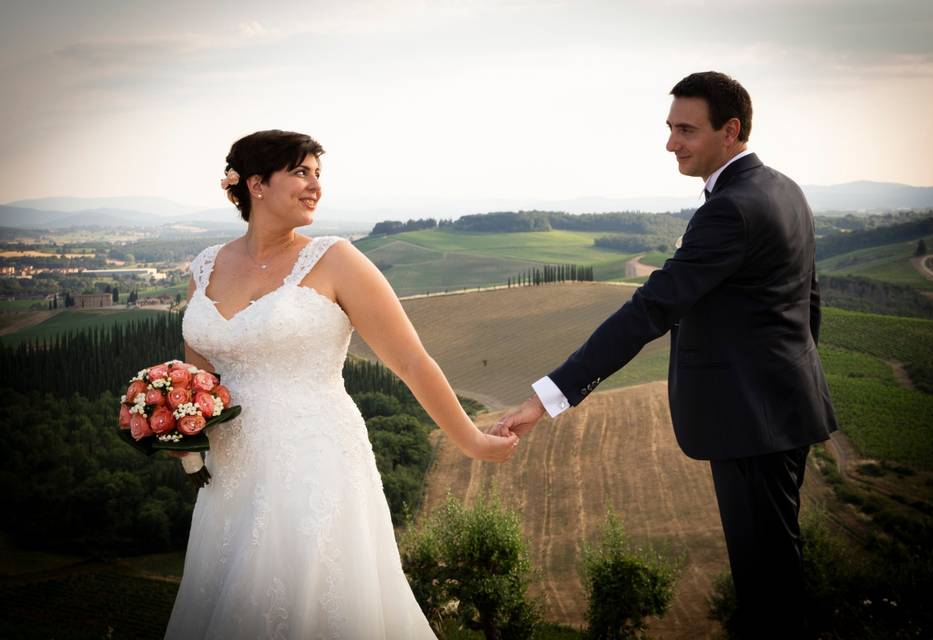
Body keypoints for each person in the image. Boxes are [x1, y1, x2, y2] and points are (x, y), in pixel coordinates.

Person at [493, 72, 837, 639]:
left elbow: (650, 310)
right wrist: (788, 376)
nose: (671, 143)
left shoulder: (731, 209)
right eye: (670, 128)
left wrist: (546, 398)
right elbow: (808, 300)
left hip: (752, 422)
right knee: (776, 568)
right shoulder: (782, 189)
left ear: (730, 131)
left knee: (765, 584)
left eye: (686, 129)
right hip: (783, 407)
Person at [165, 130, 518, 639]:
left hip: (315, 462)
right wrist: (176, 430)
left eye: (318, 175)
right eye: (301, 172)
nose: (315, 186)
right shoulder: (205, 266)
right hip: (230, 472)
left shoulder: (336, 260)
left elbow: (413, 361)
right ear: (257, 184)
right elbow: (199, 383)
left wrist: (473, 441)